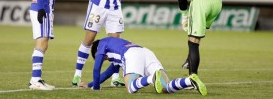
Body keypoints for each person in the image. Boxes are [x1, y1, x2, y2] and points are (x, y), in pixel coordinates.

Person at [78, 37, 207, 96]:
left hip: (132, 55)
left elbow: (96, 68)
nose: (104, 59)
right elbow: (107, 73)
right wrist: (90, 84)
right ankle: (189, 80)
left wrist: (95, 88)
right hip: (146, 52)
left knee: (130, 87)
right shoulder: (116, 49)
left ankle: (151, 79)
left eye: (102, 57)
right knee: (165, 88)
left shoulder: (102, 44)